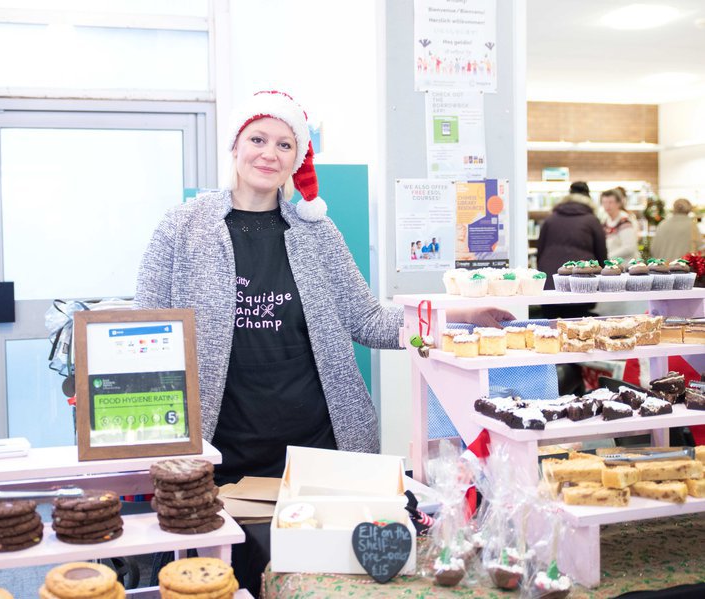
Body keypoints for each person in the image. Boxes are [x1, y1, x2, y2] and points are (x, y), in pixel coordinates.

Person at [135, 91, 513, 594]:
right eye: (258, 139)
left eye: (285, 144)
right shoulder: (183, 227)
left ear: (298, 158)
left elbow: (367, 320)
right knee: (222, 580)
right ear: (235, 145)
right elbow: (148, 325)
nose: (269, 153)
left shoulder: (317, 233)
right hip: (222, 448)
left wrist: (458, 318)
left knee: (317, 579)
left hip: (316, 446)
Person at [536, 192, 607, 318]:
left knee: (550, 327)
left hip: (551, 280)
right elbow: (601, 252)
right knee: (579, 325)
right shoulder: (591, 220)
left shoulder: (550, 219)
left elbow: (540, 249)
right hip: (582, 280)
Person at [600, 188, 640, 261]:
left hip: (627, 266)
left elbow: (629, 247)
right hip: (613, 265)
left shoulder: (625, 220)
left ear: (619, 203)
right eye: (604, 202)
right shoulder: (605, 220)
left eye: (610, 202)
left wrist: (607, 256)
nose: (607, 206)